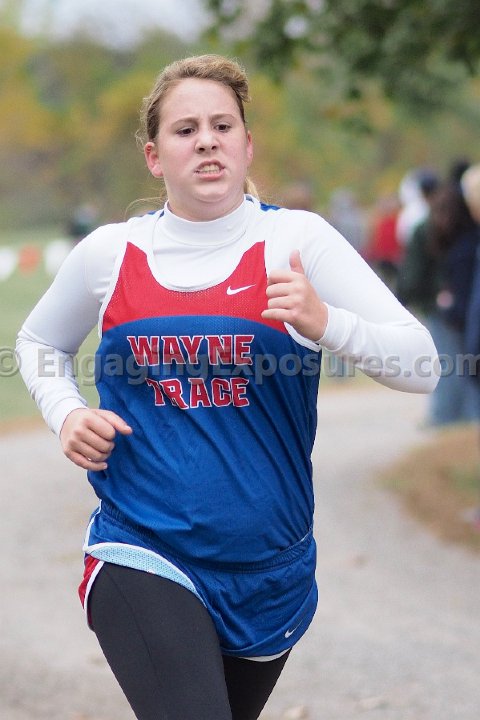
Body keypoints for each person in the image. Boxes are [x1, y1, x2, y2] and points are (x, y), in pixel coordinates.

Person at [16, 54, 439, 720]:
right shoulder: (109, 254)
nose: (207, 141)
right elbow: (38, 343)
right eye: (185, 130)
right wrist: (66, 411)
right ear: (155, 157)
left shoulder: (297, 240)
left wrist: (327, 323)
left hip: (271, 567)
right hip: (143, 546)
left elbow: (423, 365)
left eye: (222, 126)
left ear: (248, 145)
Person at [397, 177, 480, 426]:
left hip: (443, 304)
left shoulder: (429, 225)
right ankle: (461, 415)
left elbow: (413, 273)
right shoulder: (460, 226)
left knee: (449, 363)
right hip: (452, 303)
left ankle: (448, 416)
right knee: (459, 362)